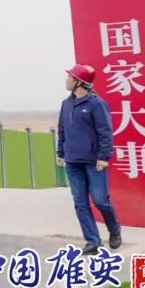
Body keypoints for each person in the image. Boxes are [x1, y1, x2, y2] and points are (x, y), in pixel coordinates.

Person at [58, 64, 122, 255]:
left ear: (79, 82)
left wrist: (104, 156)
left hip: (94, 162)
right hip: (73, 162)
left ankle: (114, 229)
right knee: (80, 203)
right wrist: (60, 152)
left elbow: (105, 132)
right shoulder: (66, 104)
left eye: (70, 78)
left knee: (100, 200)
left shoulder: (96, 104)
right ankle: (93, 241)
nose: (66, 80)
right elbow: (62, 130)